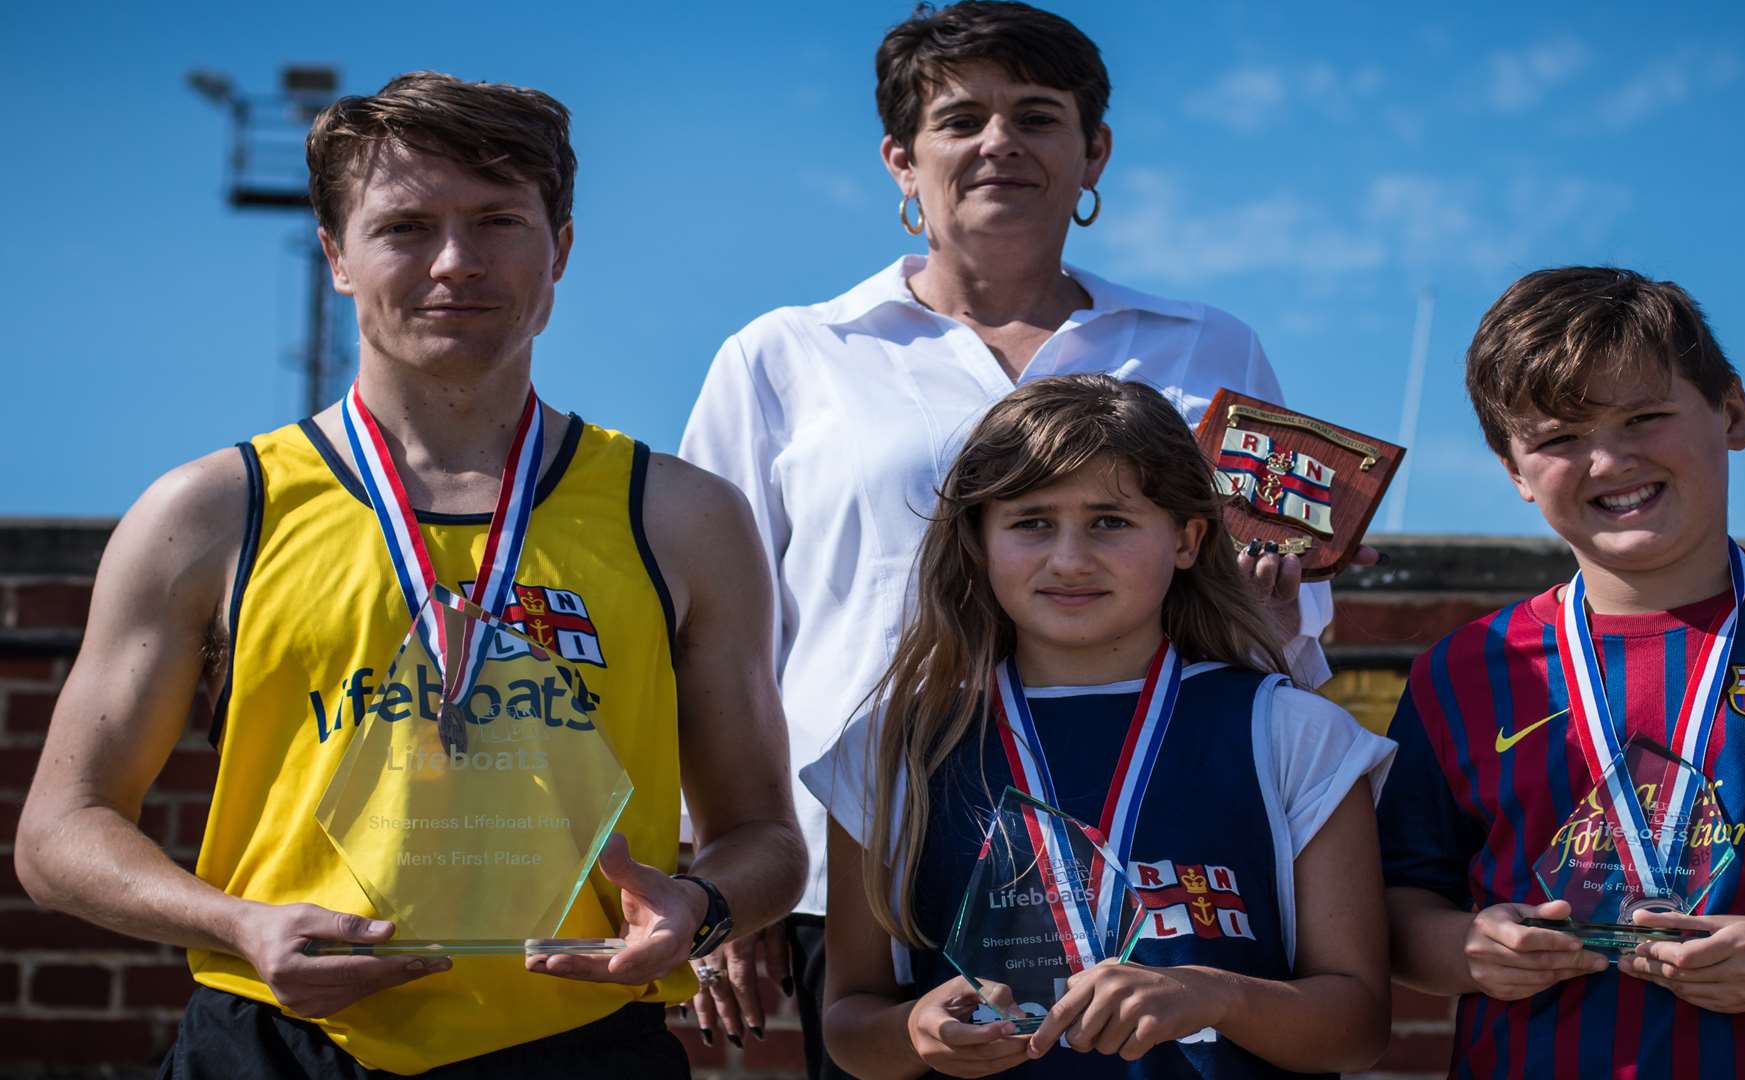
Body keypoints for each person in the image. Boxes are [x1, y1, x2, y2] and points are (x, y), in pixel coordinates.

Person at [13, 72, 806, 1077]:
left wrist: (698, 906)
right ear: (336, 255)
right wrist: (234, 922)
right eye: (403, 227)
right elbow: (57, 831)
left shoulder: (680, 516)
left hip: (577, 1042)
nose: (454, 263)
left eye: (497, 221)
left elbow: (766, 838)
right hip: (278, 1044)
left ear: (560, 248)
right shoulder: (212, 511)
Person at [678, 4, 1358, 1067]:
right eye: (961, 120)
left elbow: (1284, 616)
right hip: (876, 862)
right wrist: (726, 875)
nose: (1001, 143)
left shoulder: (1208, 346)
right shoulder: (784, 354)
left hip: (1166, 867)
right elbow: (714, 638)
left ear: (1094, 153)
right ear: (902, 159)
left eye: (1039, 117)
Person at [1378, 266, 1745, 1077]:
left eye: (1645, 416)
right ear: (1514, 473)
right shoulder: (1464, 671)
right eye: (1559, 437)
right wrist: (1467, 948)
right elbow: (1393, 908)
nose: (1607, 460)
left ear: (1732, 411)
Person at [800, 374, 1394, 1078]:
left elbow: (1357, 1027)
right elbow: (848, 1025)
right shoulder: (890, 750)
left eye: (1110, 521)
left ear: (1185, 538)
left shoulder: (1293, 733)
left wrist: (1216, 996)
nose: (1070, 559)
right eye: (1031, 522)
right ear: (979, 542)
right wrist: (913, 1030)